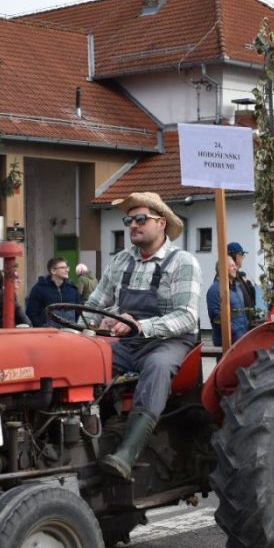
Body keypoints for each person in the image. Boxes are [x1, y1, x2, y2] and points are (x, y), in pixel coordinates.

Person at [85, 191, 202, 480]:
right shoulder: (121, 261)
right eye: (129, 220)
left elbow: (187, 316)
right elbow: (94, 305)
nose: (133, 225)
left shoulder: (182, 262)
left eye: (140, 219)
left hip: (171, 342)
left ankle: (128, 452)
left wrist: (141, 326)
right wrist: (73, 333)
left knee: (157, 366)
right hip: (129, 343)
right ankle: (84, 433)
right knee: (87, 360)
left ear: (161, 223)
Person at [26, 257, 81, 327]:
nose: (67, 270)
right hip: (48, 334)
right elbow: (32, 313)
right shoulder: (39, 289)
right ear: (53, 271)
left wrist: (75, 327)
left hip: (70, 333)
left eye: (67, 267)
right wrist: (42, 328)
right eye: (63, 268)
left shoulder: (72, 289)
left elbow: (79, 312)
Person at [206, 258, 247, 347]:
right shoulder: (215, 290)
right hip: (227, 343)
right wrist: (235, 331)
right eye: (232, 266)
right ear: (223, 268)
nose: (235, 268)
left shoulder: (237, 288)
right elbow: (217, 317)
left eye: (235, 265)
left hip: (241, 340)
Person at [226, 242, 267, 326]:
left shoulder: (238, 277)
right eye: (242, 256)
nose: (243, 258)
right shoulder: (230, 279)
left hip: (244, 325)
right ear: (237, 257)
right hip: (238, 328)